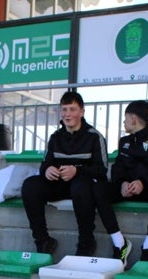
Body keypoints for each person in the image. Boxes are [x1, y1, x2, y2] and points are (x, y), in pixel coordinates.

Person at [21, 90, 109, 256]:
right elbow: (45, 164)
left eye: (72, 109)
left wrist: (77, 170)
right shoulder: (55, 137)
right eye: (64, 109)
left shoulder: (94, 137)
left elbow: (101, 170)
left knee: (80, 186)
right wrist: (47, 170)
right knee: (30, 185)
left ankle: (86, 242)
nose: (67, 114)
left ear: (82, 112)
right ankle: (43, 241)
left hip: (84, 186)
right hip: (60, 185)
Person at [95, 100, 148, 265]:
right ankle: (120, 243)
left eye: (125, 119)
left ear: (133, 119)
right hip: (127, 190)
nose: (124, 123)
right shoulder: (125, 142)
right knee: (98, 189)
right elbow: (117, 168)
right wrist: (122, 183)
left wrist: (143, 183)